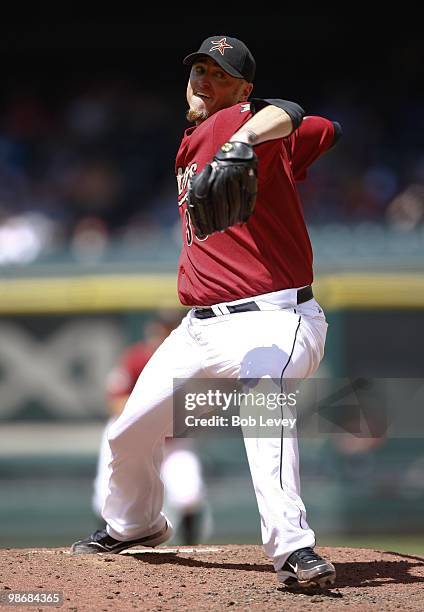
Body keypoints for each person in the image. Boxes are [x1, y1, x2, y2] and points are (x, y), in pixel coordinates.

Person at [71, 35, 341, 589]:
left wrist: (244, 137)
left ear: (243, 89)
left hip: (275, 317)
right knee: (128, 432)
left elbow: (305, 119)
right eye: (197, 70)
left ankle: (292, 549)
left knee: (264, 404)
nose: (202, 80)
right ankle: (135, 525)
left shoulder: (248, 125)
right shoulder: (193, 138)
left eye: (218, 74)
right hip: (199, 329)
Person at [92, 311, 210, 545]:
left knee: (189, 493)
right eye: (161, 327)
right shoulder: (137, 358)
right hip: (132, 436)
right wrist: (154, 417)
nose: (164, 333)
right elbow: (116, 401)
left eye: (169, 327)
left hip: (173, 441)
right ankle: (107, 546)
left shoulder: (195, 362)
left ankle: (192, 551)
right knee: (106, 496)